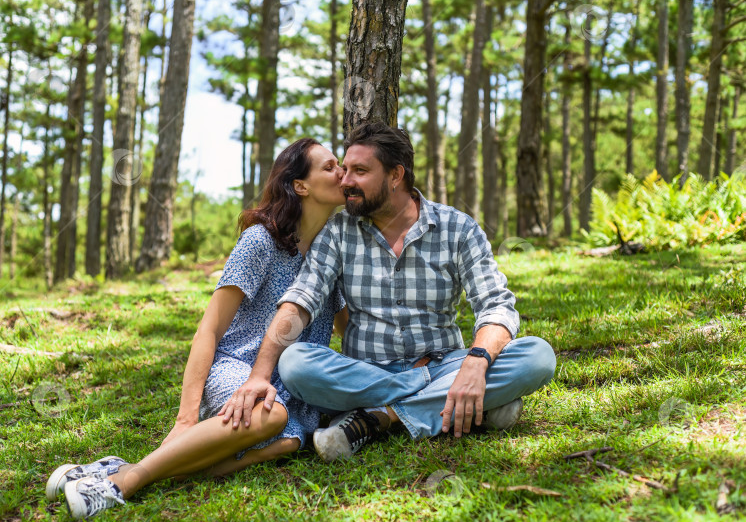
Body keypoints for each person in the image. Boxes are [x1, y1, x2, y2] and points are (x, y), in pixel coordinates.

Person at [45, 138, 348, 519]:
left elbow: (348, 328)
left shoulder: (332, 255)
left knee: (287, 444)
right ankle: (122, 484)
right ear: (301, 186)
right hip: (236, 368)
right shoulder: (261, 242)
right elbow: (209, 330)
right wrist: (185, 420)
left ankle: (108, 471)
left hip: (290, 386)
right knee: (271, 418)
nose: (342, 173)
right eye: (330, 166)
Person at [221, 122, 557, 462]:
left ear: (396, 175)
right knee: (295, 364)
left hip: (443, 364)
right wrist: (260, 376)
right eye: (345, 169)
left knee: (538, 356)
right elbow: (300, 303)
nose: (346, 180)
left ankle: (378, 417)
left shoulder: (458, 228)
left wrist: (475, 362)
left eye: (360, 171)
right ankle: (466, 404)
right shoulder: (338, 231)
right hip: (364, 374)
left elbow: (495, 305)